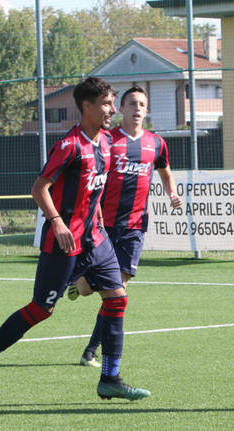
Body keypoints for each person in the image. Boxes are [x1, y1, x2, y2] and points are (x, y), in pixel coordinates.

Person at [0, 77, 150, 402]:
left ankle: (110, 377)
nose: (111, 110)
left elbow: (96, 189)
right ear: (87, 106)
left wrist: (101, 221)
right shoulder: (70, 145)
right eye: (106, 103)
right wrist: (57, 222)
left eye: (111, 103)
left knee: (117, 298)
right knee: (42, 308)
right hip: (64, 243)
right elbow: (39, 187)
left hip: (97, 239)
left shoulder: (106, 142)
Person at [66, 85, 182, 368]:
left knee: (117, 291)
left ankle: (90, 351)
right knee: (89, 290)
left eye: (142, 104)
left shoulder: (156, 143)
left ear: (147, 109)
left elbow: (165, 171)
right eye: (132, 103)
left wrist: (172, 193)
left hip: (134, 227)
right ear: (122, 109)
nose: (138, 108)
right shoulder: (108, 139)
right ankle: (76, 282)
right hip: (103, 226)